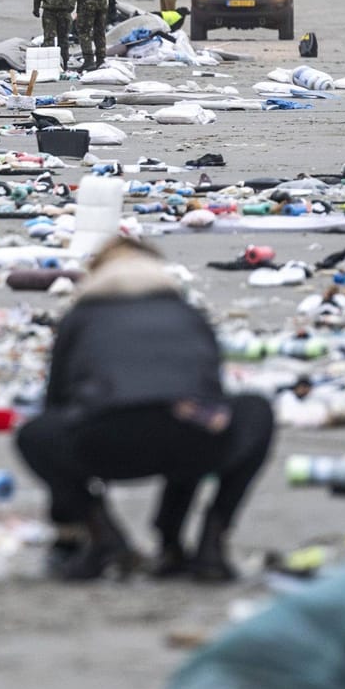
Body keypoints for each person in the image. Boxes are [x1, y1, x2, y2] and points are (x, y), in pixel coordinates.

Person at [17, 238, 274, 581]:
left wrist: (66, 525)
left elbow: (56, 406)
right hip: (193, 438)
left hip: (105, 439)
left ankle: (104, 536)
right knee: (249, 411)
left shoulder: (80, 317)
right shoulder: (187, 314)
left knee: (35, 433)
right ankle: (207, 543)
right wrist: (170, 530)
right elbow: (205, 400)